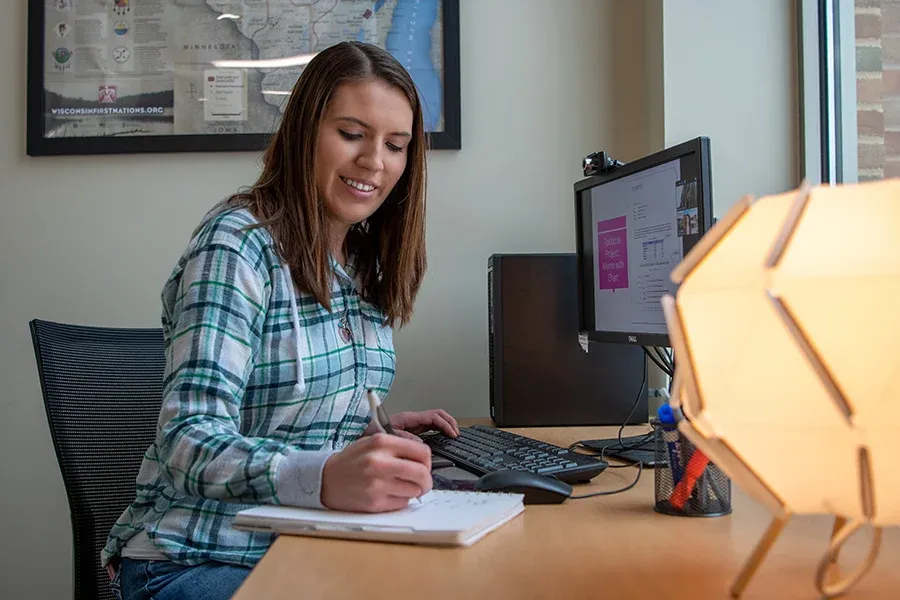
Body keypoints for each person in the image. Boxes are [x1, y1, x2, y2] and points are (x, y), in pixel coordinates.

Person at [102, 41, 460, 600]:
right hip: (194, 557)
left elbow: (285, 416)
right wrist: (323, 476)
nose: (375, 162)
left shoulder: (362, 264)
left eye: (396, 145)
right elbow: (186, 439)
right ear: (303, 132)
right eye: (351, 134)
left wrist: (366, 434)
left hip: (305, 543)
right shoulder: (237, 246)